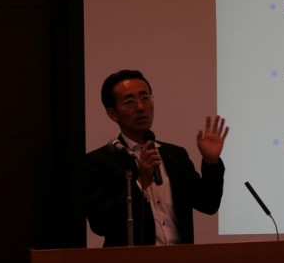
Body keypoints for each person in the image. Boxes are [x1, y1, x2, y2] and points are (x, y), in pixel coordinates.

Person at [83, 69, 229, 247]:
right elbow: (99, 223)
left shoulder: (175, 155)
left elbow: (208, 204)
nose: (140, 107)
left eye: (145, 97)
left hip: (180, 260)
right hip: (133, 262)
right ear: (112, 113)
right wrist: (140, 184)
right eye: (129, 101)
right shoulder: (98, 162)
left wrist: (211, 162)